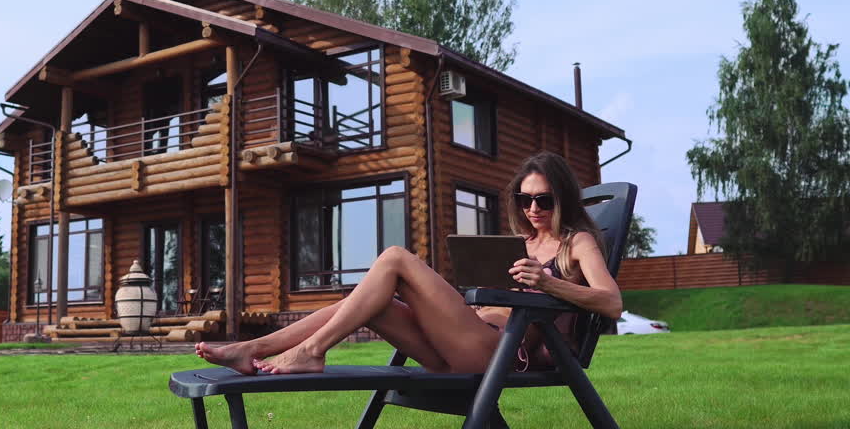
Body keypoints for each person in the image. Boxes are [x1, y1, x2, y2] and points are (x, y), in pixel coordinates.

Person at [194, 151, 622, 375]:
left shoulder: (577, 243)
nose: (532, 208)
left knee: (395, 258)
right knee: (365, 302)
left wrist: (548, 284)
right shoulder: (519, 243)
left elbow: (611, 302)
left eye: (543, 200)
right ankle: (252, 349)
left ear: (563, 199)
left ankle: (310, 351)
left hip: (500, 353)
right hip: (461, 341)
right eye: (524, 199)